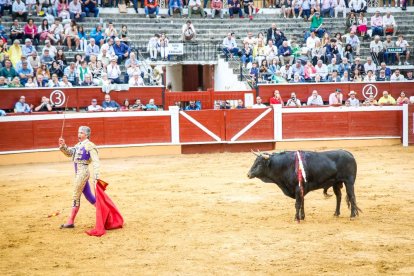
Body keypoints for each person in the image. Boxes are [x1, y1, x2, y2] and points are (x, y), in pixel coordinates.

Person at [58, 126, 99, 228]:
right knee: (89, 196)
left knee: (76, 196)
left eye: (81, 133)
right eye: (78, 132)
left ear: (87, 135)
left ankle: (70, 221)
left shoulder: (90, 145)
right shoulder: (78, 145)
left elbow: (96, 162)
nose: (79, 135)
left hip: (82, 173)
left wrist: (96, 176)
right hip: (79, 173)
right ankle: (105, 212)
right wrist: (63, 146)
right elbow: (69, 153)